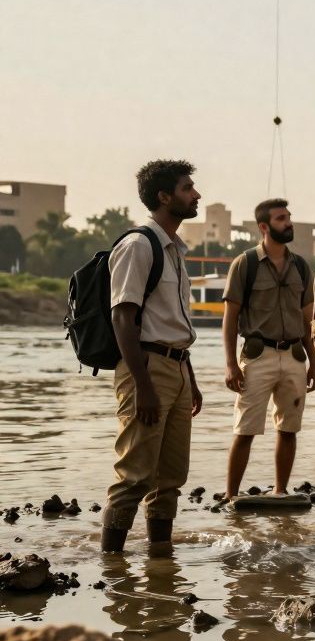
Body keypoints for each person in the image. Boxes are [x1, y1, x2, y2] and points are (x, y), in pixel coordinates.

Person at [102, 160, 203, 554]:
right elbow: (122, 317)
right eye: (187, 188)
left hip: (176, 366)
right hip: (146, 368)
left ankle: (160, 561)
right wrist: (143, 386)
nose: (196, 195)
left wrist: (189, 380)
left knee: (170, 477)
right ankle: (112, 565)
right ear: (164, 197)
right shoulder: (138, 245)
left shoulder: (175, 250)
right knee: (134, 474)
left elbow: (174, 321)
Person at [221, 198, 315, 499]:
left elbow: (307, 322)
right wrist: (230, 365)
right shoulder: (245, 264)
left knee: (289, 429)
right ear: (264, 227)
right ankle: (231, 497)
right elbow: (230, 318)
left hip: (293, 357)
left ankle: (280, 491)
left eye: (289, 217)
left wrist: (314, 363)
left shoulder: (301, 267)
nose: (288, 222)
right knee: (245, 429)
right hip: (257, 356)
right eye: (281, 218)